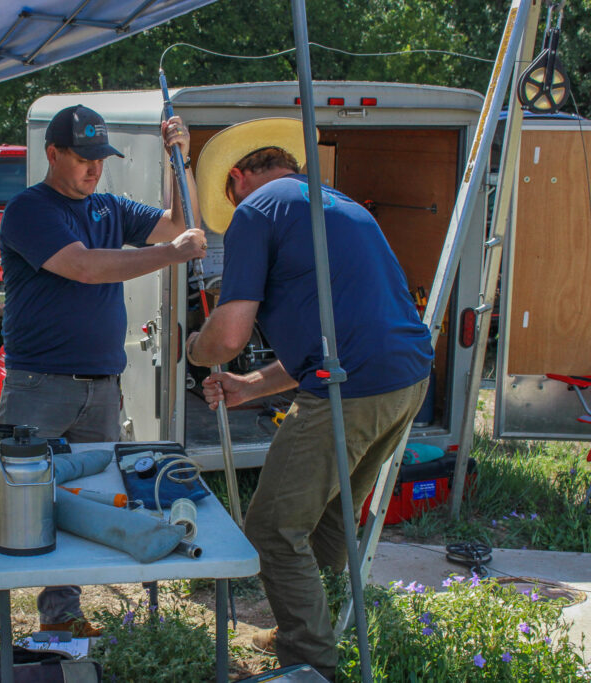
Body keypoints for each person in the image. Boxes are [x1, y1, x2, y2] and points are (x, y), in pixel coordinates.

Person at [0, 104, 207, 654]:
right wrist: (169, 254)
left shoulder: (109, 206)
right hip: (39, 385)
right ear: (54, 153)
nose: (94, 169)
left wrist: (180, 161)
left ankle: (60, 617)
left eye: (101, 158)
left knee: (80, 501)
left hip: (102, 384)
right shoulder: (29, 211)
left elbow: (180, 225)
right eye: (83, 158)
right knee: (4, 498)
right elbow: (86, 266)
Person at [185, 118, 433, 680]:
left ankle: (312, 666)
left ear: (238, 177)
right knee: (327, 519)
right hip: (404, 381)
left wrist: (197, 349)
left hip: (354, 390)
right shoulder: (332, 203)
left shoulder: (255, 211)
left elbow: (227, 337)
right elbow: (326, 343)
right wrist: (250, 386)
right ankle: (308, 625)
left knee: (272, 529)